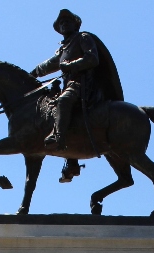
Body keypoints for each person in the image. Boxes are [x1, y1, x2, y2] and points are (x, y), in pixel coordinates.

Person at [30, 9, 123, 182]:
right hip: (70, 85)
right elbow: (50, 64)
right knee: (52, 107)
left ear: (75, 24)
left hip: (84, 86)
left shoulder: (83, 38)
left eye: (67, 21)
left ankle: (58, 138)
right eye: (61, 23)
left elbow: (92, 59)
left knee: (64, 101)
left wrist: (71, 65)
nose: (64, 24)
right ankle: (71, 160)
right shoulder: (64, 47)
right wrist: (33, 73)